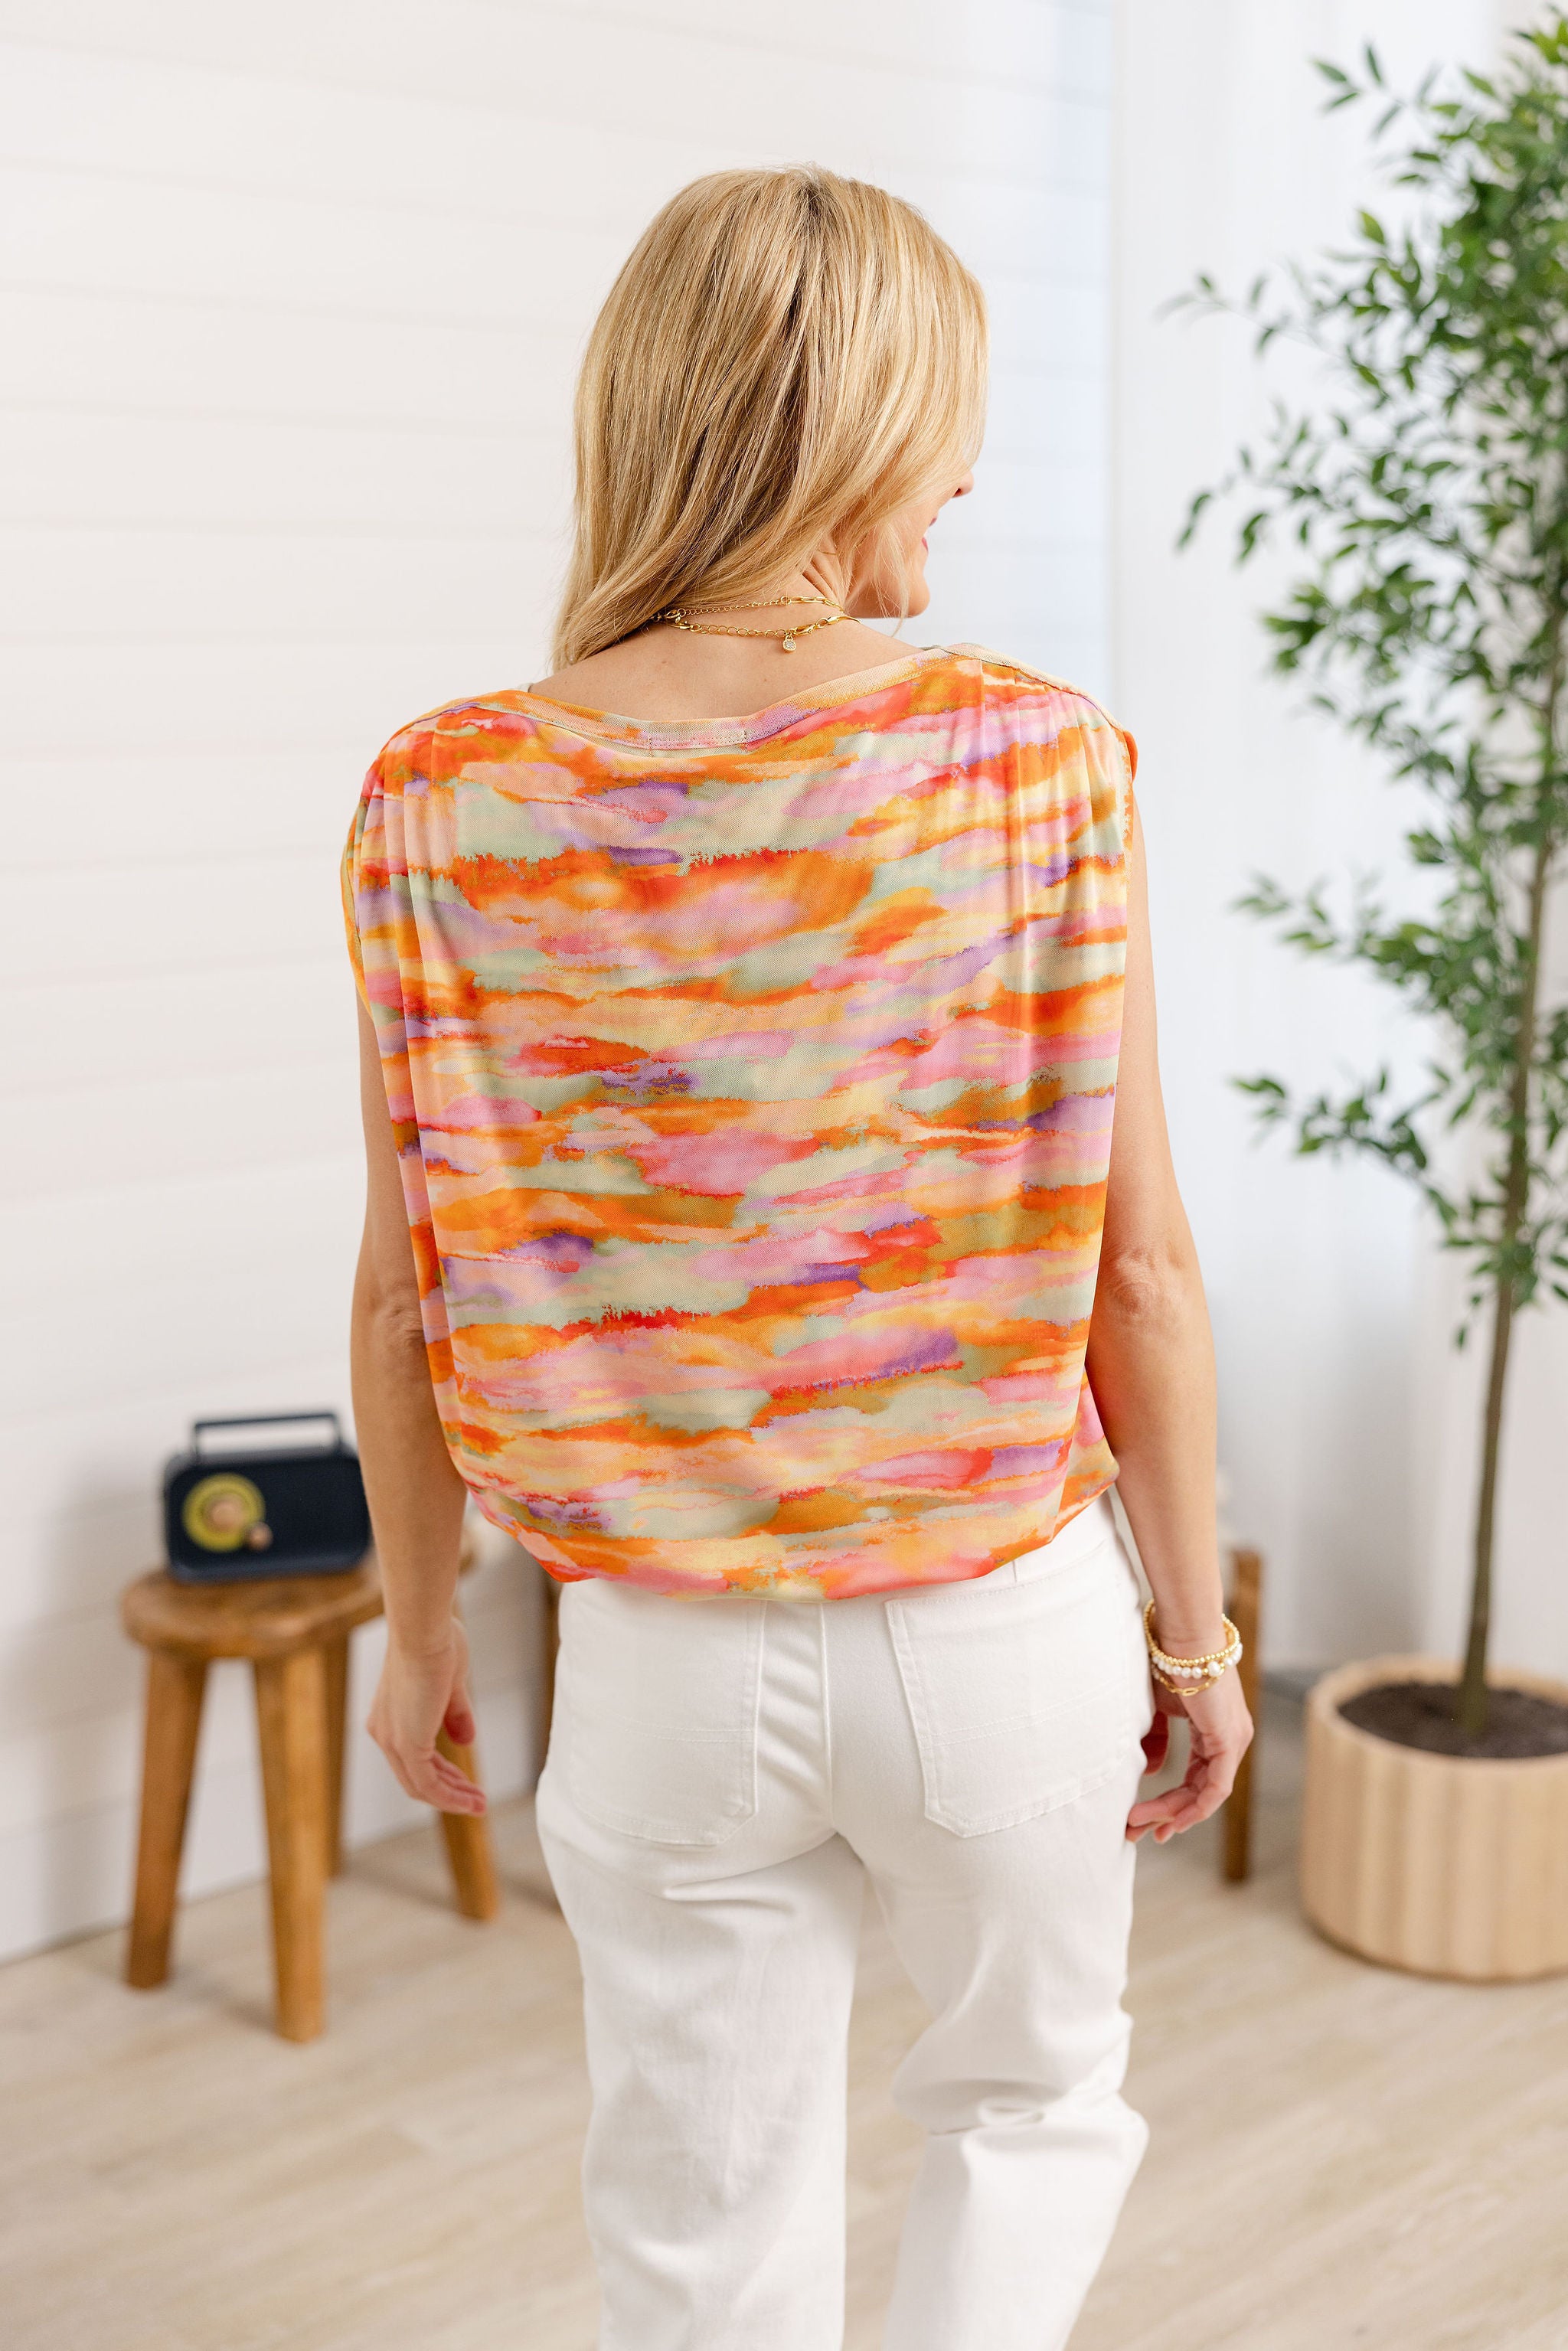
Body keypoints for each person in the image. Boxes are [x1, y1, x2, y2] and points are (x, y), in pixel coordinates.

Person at [343, 165, 1253, 2351]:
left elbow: (403, 1295)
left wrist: (417, 1621)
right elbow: (1138, 1276)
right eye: (948, 432)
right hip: (996, 1632)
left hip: (653, 1661)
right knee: (1028, 2111)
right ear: (853, 426)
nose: (967, 482)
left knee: (697, 2204)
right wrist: (1199, 1636)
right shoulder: (1039, 758)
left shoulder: (439, 797)